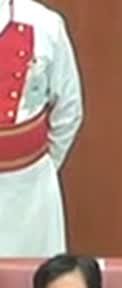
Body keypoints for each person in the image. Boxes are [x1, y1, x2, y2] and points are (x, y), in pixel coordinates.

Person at [0, 0, 83, 256]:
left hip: (31, 192)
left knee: (36, 283)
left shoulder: (45, 24)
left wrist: (41, 170)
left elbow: (69, 109)